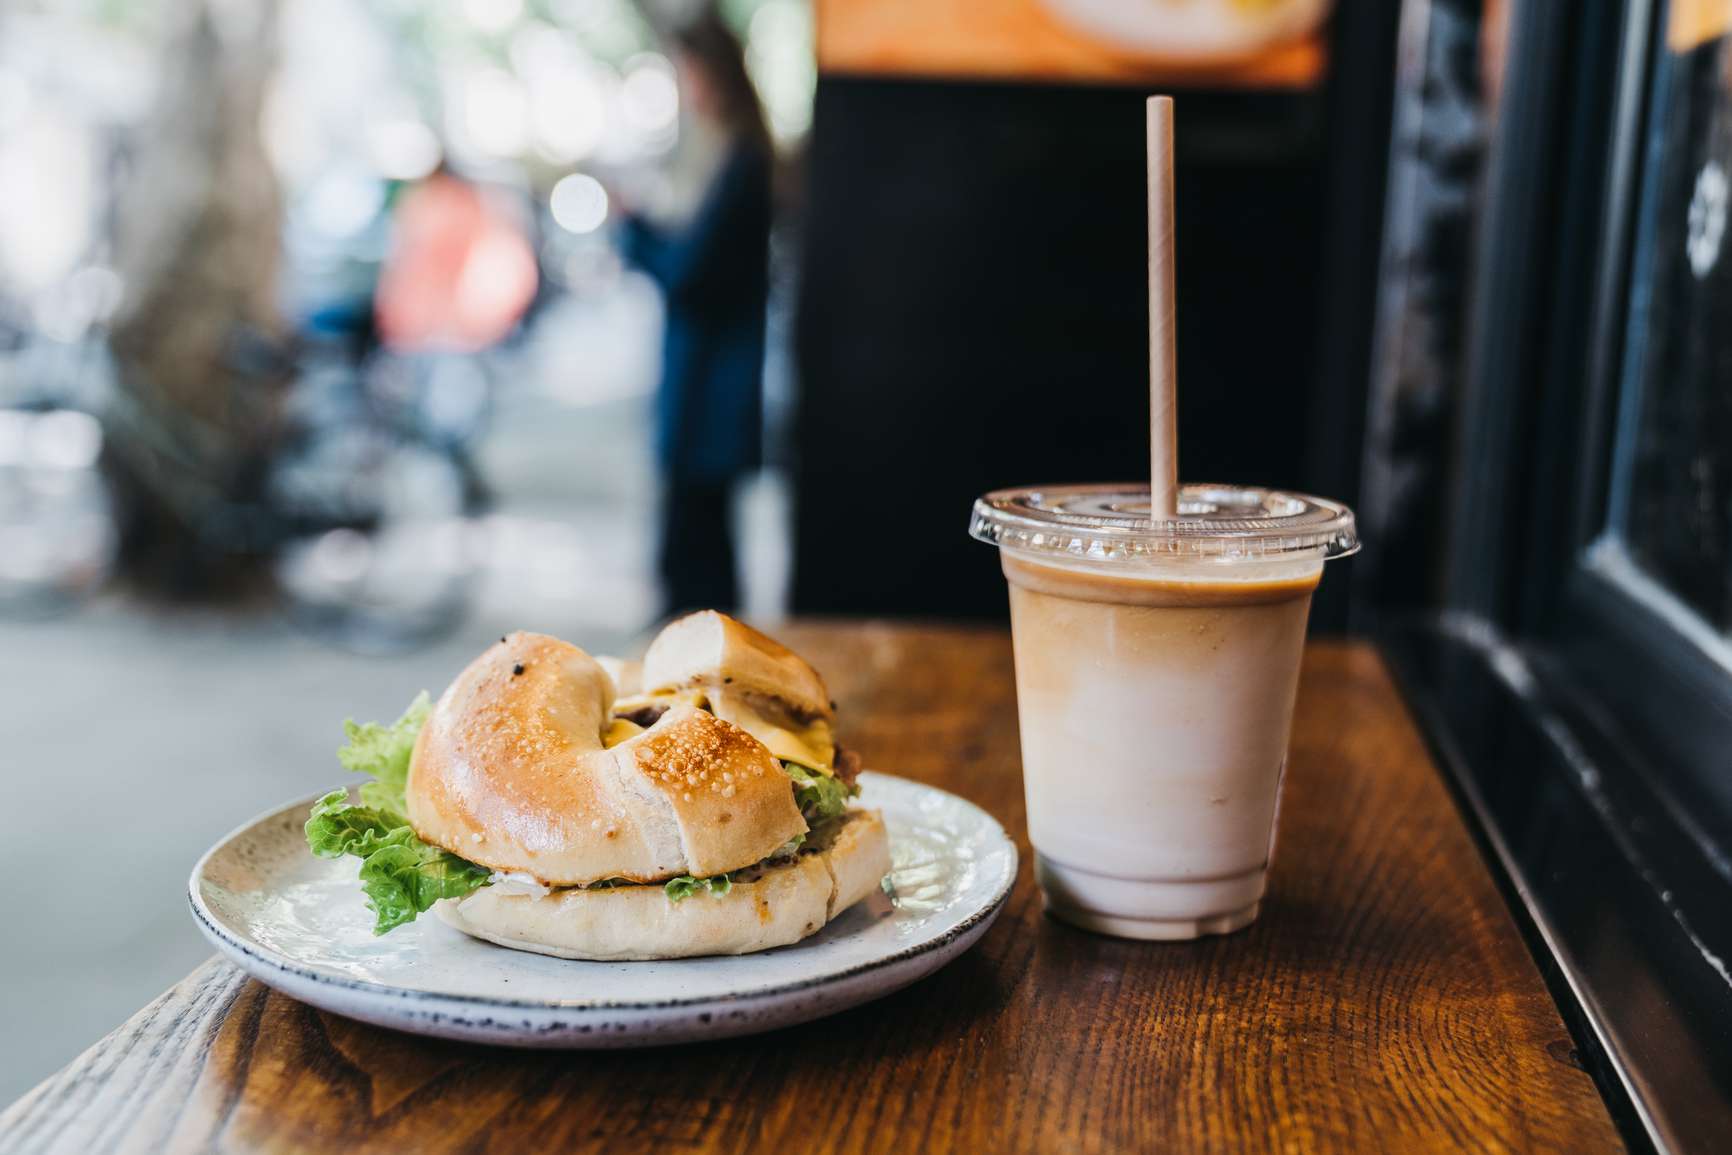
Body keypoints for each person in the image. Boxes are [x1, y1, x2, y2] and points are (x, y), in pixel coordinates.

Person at [618, 11, 773, 616]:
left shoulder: (738, 161)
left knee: (698, 551)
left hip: (713, 386)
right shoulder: (722, 155)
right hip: (705, 381)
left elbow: (691, 274)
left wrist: (635, 232)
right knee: (697, 539)